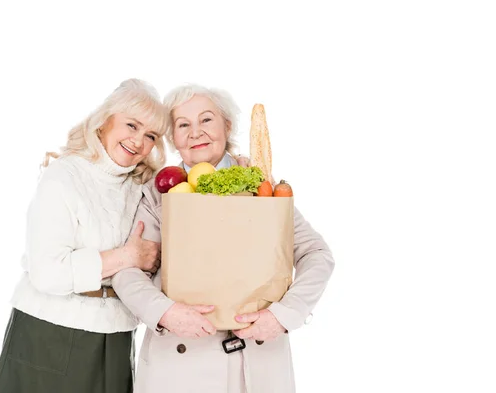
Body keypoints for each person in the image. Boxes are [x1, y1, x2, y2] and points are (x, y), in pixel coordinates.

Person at [112, 84, 335, 393]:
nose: (195, 132)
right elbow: (127, 271)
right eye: (183, 125)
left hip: (256, 359)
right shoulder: (156, 193)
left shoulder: (262, 186)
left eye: (206, 120)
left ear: (226, 126)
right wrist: (164, 313)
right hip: (180, 360)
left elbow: (317, 254)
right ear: (173, 137)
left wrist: (283, 316)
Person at [0, 79, 170, 393]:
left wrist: (234, 165)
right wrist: (126, 258)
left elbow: (191, 189)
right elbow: (47, 273)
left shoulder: (142, 185)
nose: (138, 141)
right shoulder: (64, 176)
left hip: (116, 340)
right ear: (105, 120)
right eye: (132, 125)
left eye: (150, 135)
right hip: (49, 335)